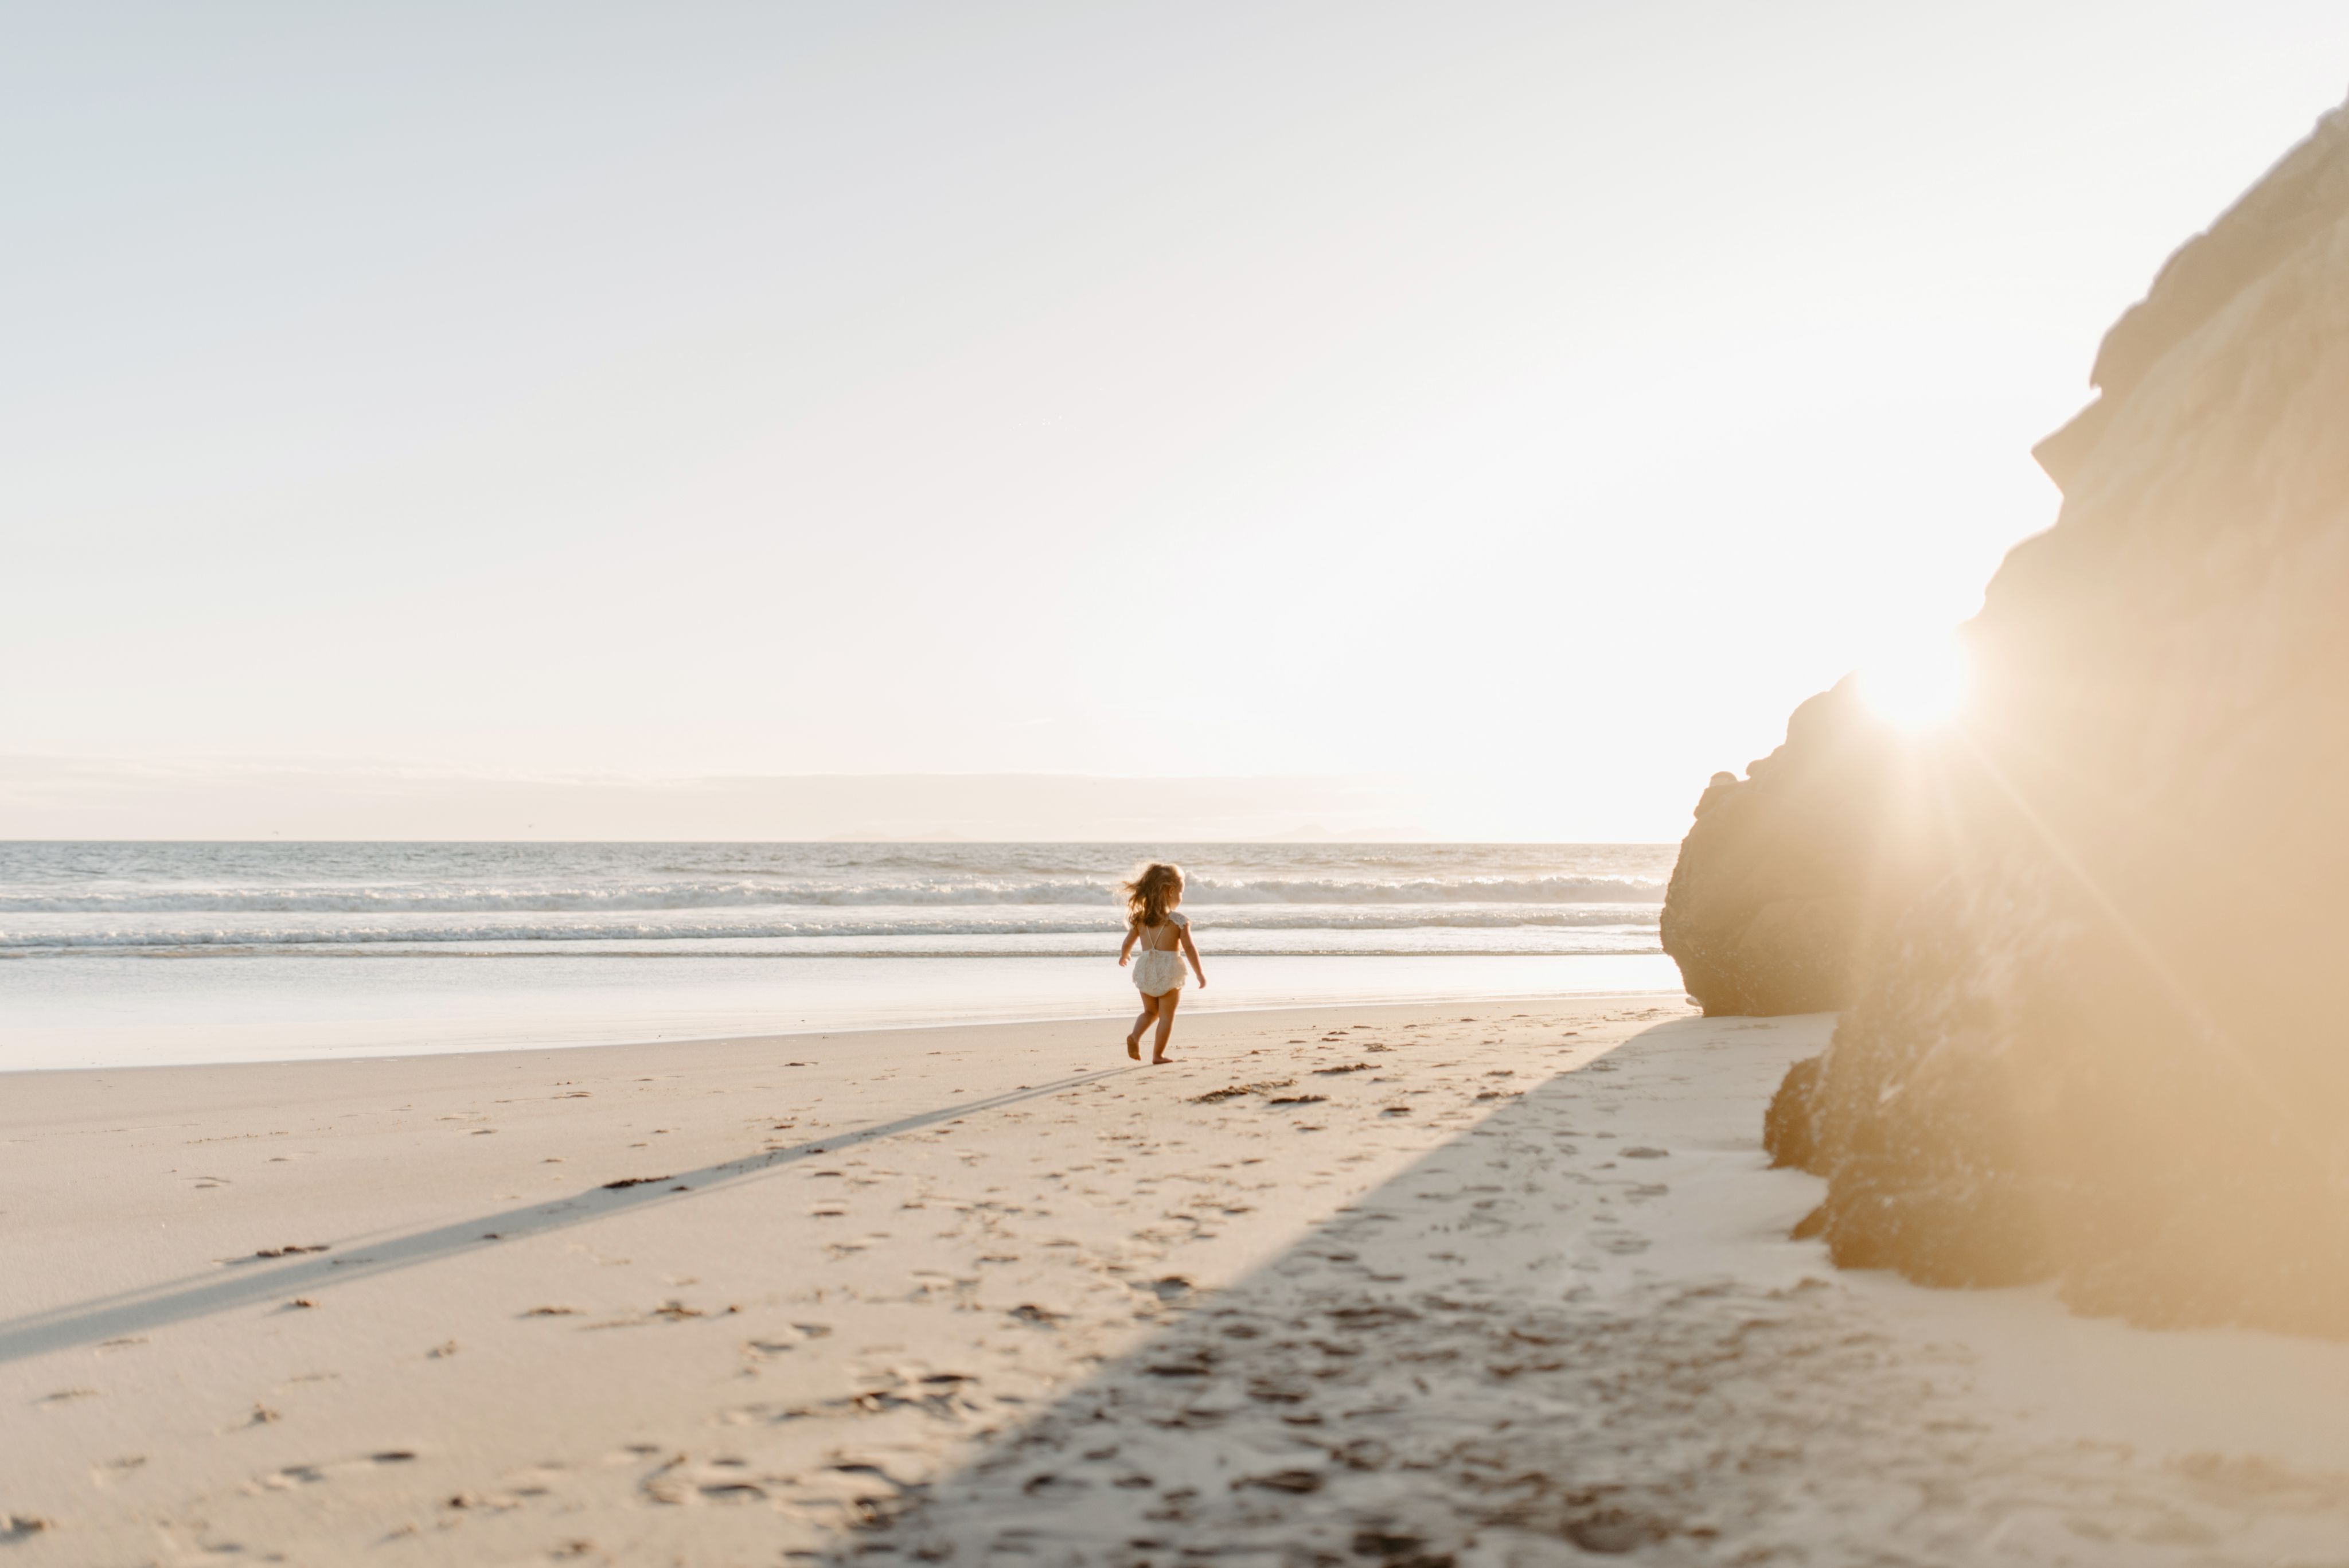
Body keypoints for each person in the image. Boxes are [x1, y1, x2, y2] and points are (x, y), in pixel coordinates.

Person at [1117, 861, 1206, 1063]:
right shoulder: (1179, 921)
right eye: (1181, 892)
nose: (1181, 897)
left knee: (1150, 1012)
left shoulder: (1141, 919)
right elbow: (1190, 949)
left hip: (1146, 969)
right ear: (1172, 891)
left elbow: (1128, 942)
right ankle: (1157, 1055)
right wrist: (1200, 973)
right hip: (1169, 970)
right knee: (1166, 1017)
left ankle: (1135, 1036)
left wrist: (1124, 956)